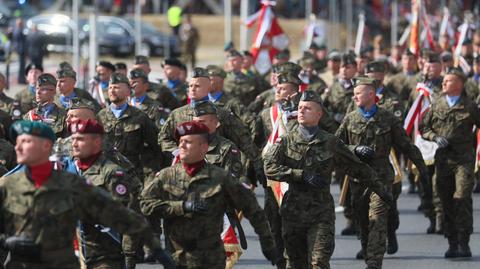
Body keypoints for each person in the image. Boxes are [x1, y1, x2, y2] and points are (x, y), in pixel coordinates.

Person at [0, 120, 171, 269]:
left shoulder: (81, 180)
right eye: (73, 139)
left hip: (96, 255)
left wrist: (142, 252)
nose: (18, 147)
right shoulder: (11, 183)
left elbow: (125, 215)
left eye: (26, 142)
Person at [263, 90, 385, 269]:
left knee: (319, 261)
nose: (302, 111)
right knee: (295, 263)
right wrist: (300, 175)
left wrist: (381, 190)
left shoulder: (330, 142)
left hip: (321, 213)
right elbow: (269, 168)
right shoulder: (285, 141)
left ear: (319, 114)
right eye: (300, 108)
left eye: (308, 108)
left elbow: (357, 168)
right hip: (293, 213)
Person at [141, 120, 279, 268]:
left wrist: (267, 243)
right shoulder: (166, 176)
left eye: (187, 142)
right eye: (180, 141)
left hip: (211, 259)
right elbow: (145, 204)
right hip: (177, 258)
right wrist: (181, 207)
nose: (181, 145)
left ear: (203, 147)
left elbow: (252, 209)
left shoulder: (220, 178)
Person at [335, 76, 429, 269]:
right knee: (362, 220)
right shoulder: (350, 118)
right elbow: (335, 145)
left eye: (358, 93)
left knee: (377, 219)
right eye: (353, 94)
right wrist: (354, 150)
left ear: (371, 94)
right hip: (358, 178)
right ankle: (367, 249)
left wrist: (422, 170)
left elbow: (406, 145)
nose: (354, 98)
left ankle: (374, 263)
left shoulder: (388, 118)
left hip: (381, 178)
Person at [159, 67, 266, 188]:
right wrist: (177, 151)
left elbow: (244, 141)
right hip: (184, 172)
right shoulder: (177, 114)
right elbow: (163, 138)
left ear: (208, 88)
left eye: (197, 86)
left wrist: (258, 167)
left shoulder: (221, 114)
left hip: (215, 170)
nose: (192, 89)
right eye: (190, 86)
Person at [66, 119, 143, 268]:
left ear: (96, 142)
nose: (74, 144)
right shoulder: (66, 170)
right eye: (73, 139)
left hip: (103, 257)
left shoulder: (112, 173)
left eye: (80, 139)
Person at [420, 67, 480, 258]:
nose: (444, 83)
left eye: (449, 80)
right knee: (445, 200)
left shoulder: (469, 106)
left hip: (464, 160)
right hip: (443, 160)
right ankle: (452, 242)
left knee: (461, 197)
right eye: (444, 80)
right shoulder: (437, 105)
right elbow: (423, 127)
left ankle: (464, 241)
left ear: (459, 84)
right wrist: (434, 137)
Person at [97, 72, 160, 180]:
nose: (112, 90)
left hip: (133, 174)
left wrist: (151, 170)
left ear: (128, 91)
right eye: (110, 87)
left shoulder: (140, 117)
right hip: (106, 173)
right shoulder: (100, 116)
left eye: (116, 87)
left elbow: (155, 145)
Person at [23, 73, 67, 138]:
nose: (38, 92)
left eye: (43, 89)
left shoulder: (64, 116)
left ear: (54, 91)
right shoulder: (28, 116)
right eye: (37, 88)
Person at [11, 18, 26, 84]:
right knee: (21, 65)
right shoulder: (18, 30)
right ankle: (21, 80)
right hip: (21, 49)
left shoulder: (17, 30)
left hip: (20, 49)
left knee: (22, 65)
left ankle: (21, 79)